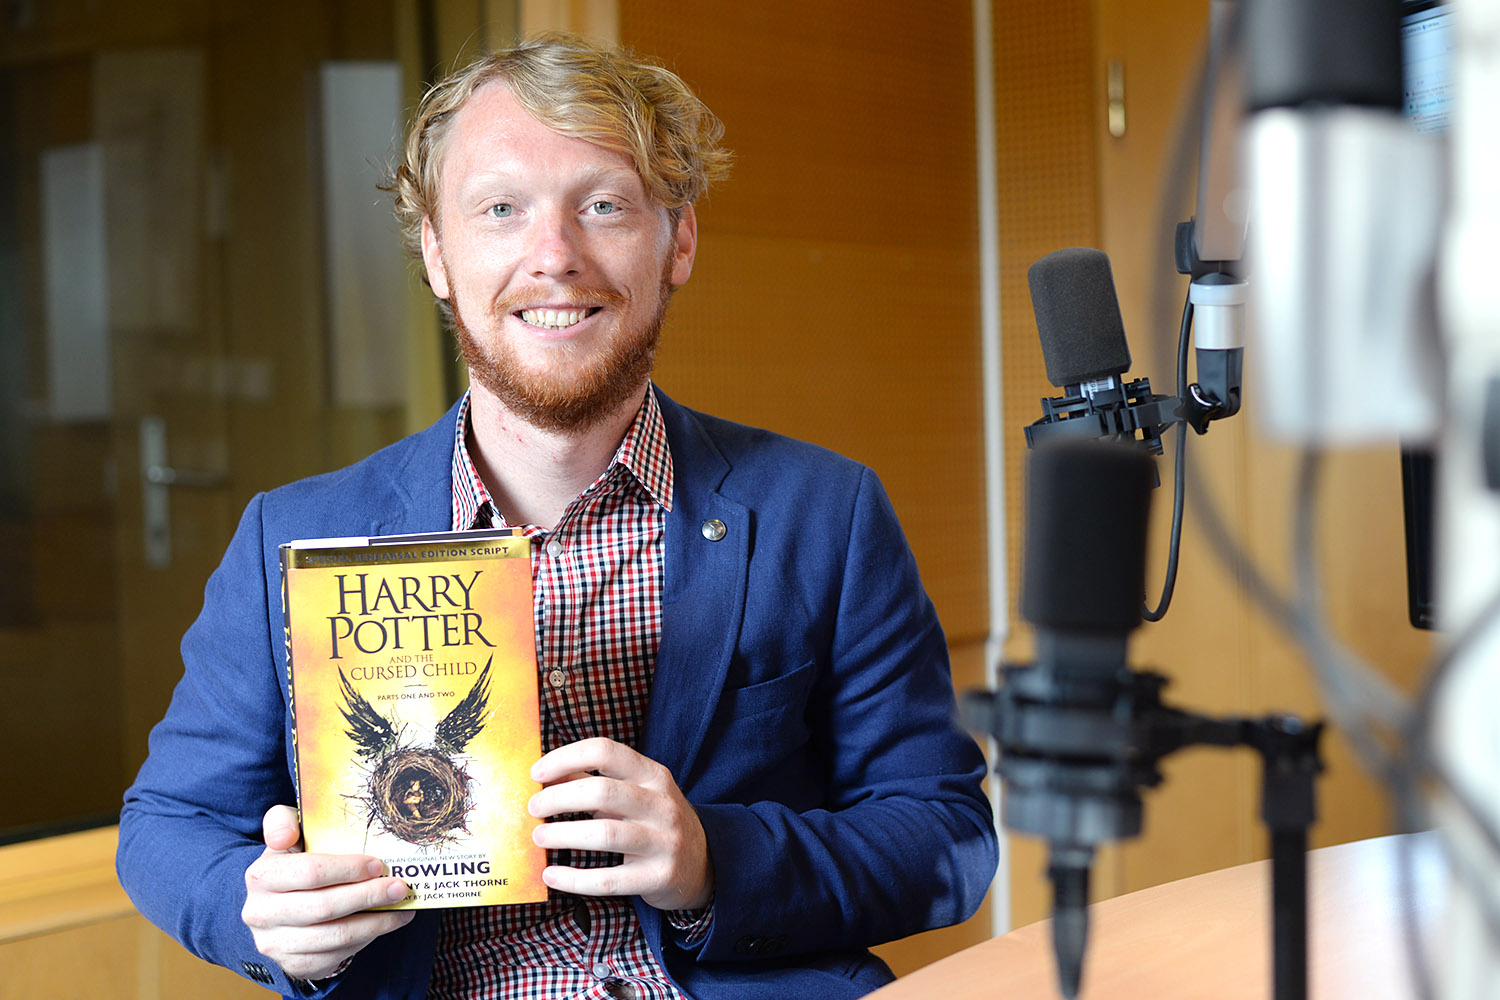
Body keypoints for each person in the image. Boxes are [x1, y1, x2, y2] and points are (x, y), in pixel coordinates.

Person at [117, 33, 997, 1000]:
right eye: (501, 209)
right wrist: (259, 910)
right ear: (438, 253)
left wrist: (713, 859)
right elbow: (166, 826)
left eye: (604, 205)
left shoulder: (824, 513)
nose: (554, 257)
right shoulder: (287, 539)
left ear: (679, 242)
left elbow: (946, 839)